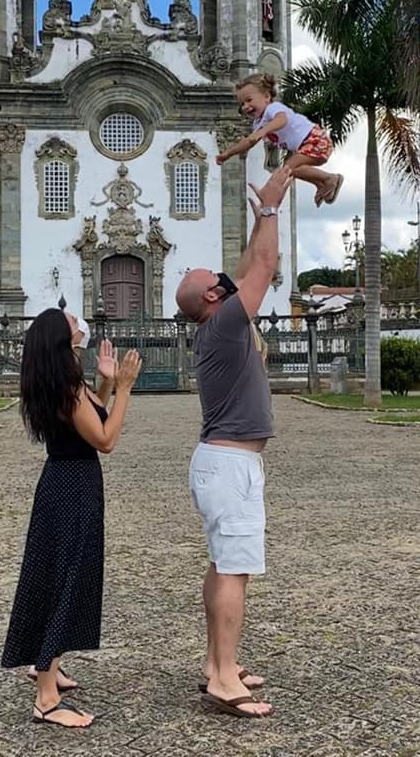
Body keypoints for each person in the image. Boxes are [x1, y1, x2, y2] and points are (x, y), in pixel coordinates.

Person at [175, 166, 292, 720]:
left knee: (223, 563)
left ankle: (216, 662)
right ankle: (223, 678)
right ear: (213, 296)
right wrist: (270, 210)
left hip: (221, 461)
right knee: (233, 569)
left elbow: (246, 268)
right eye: (217, 278)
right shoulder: (224, 325)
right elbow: (262, 268)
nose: (227, 277)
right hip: (229, 465)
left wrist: (259, 219)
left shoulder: (217, 324)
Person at [1, 308, 142, 728]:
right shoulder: (66, 388)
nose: (80, 324)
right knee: (64, 578)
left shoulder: (60, 382)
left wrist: (106, 382)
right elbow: (105, 439)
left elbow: (91, 414)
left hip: (63, 483)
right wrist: (126, 389)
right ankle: (46, 698)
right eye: (73, 323)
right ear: (62, 339)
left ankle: (46, 664)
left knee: (56, 573)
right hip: (72, 487)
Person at [216, 73, 343, 207]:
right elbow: (248, 142)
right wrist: (228, 153)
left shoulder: (273, 108)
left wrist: (263, 131)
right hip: (308, 144)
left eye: (249, 100)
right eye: (242, 104)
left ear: (266, 96)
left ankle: (330, 178)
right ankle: (320, 183)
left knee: (287, 168)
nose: (245, 106)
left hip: (315, 140)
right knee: (289, 170)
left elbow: (282, 120)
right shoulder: (258, 123)